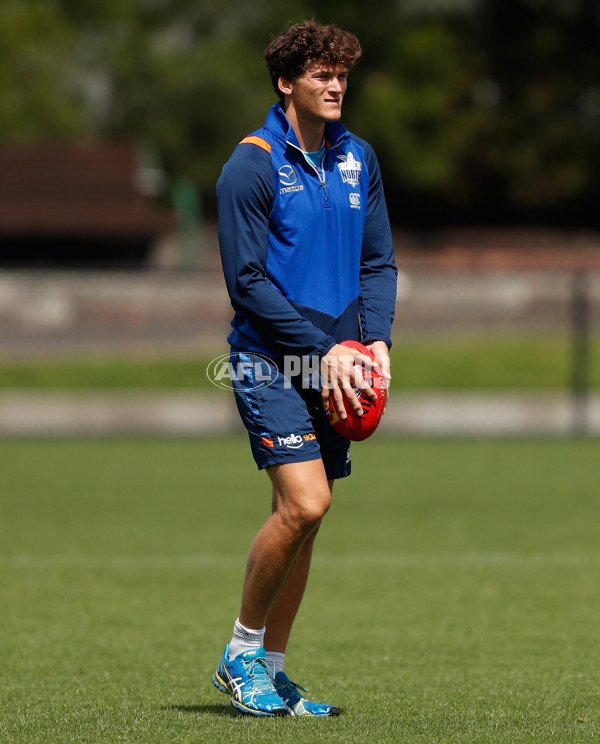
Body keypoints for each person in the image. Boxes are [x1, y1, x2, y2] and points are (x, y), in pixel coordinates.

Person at [212, 20, 397, 717]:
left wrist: (374, 341)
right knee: (305, 503)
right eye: (322, 74)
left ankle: (274, 669)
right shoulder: (251, 165)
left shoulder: (359, 160)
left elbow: (377, 260)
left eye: (342, 73)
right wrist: (323, 352)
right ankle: (240, 654)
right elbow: (248, 284)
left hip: (340, 367)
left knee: (306, 522)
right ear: (287, 82)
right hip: (270, 361)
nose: (336, 84)